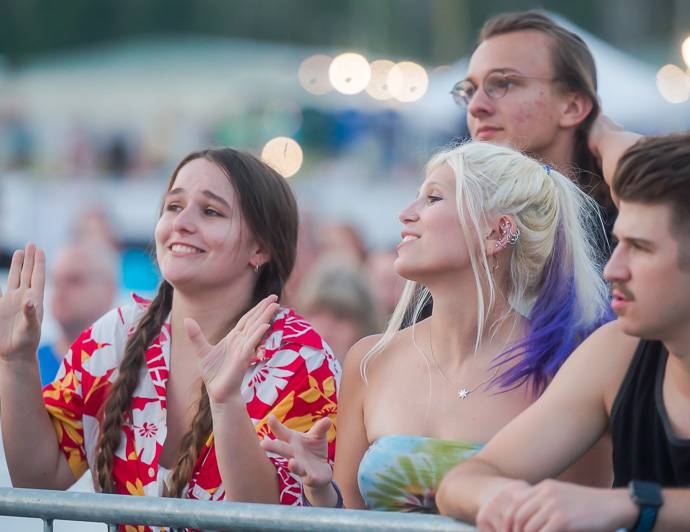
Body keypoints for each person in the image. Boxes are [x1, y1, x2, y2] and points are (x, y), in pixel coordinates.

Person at [436, 129, 690, 531]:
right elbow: (465, 479)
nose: (613, 268)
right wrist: (503, 498)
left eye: (640, 248)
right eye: (618, 243)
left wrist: (632, 506)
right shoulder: (616, 353)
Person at [261, 141, 611, 513]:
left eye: (433, 198)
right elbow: (350, 517)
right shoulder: (370, 360)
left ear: (497, 232)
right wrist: (319, 487)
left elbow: (584, 515)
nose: (405, 214)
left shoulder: (566, 370)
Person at [0, 149, 340, 519]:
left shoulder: (300, 358)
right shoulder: (115, 335)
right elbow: (39, 478)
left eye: (210, 211)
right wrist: (16, 361)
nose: (181, 223)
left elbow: (266, 521)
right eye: (174, 206)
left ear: (260, 248)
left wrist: (225, 401)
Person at [453, 10, 616, 237]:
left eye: (502, 83)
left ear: (572, 107)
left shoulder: (626, 231)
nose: (475, 107)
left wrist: (614, 143)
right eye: (470, 90)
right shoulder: (458, 224)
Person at [36, 240, 119, 385]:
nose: (60, 291)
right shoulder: (27, 366)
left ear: (108, 290)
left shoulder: (132, 367)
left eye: (75, 281)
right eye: (56, 281)